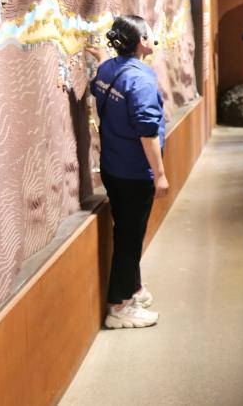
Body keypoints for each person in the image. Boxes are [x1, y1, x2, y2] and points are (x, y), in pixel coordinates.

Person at [90, 16, 168, 330]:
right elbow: (147, 131)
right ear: (141, 42)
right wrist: (159, 173)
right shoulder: (141, 79)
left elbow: (98, 89)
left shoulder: (107, 69)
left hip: (112, 165)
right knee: (129, 238)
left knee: (126, 231)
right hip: (135, 172)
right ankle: (119, 306)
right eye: (148, 32)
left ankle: (134, 288)